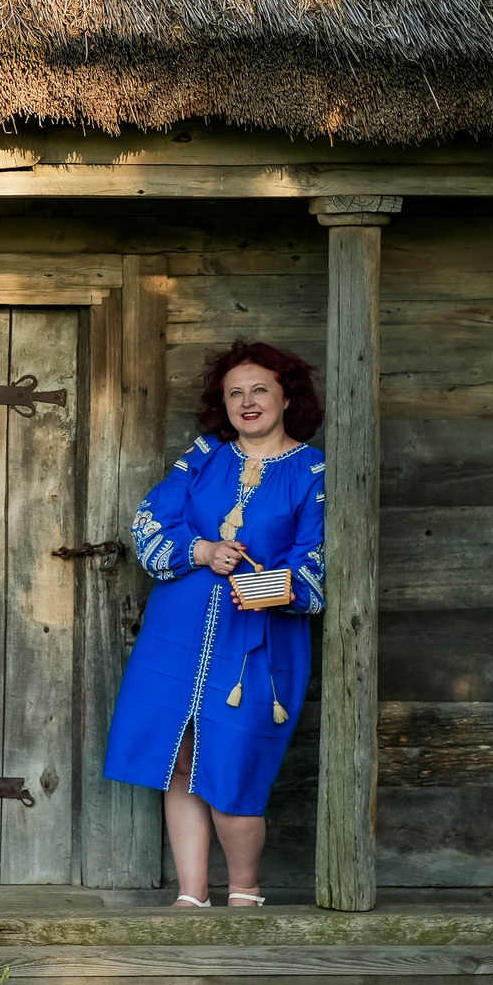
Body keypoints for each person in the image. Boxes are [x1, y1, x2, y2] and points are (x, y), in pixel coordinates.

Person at [102, 341, 327, 908]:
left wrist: (268, 586)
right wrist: (201, 550)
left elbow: (321, 561)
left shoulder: (313, 472)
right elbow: (150, 523)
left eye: (259, 390)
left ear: (285, 397)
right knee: (179, 757)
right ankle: (191, 896)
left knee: (232, 764)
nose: (247, 402)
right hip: (176, 633)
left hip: (257, 640)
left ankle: (244, 894)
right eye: (234, 393)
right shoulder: (203, 455)